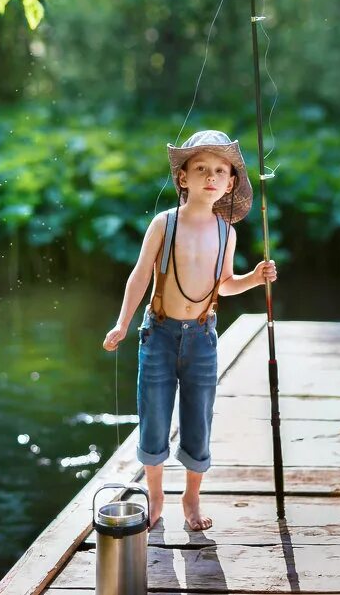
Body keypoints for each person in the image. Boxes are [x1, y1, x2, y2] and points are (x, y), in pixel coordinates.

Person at [102, 130, 277, 530]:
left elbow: (224, 284)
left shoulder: (226, 232)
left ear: (230, 182)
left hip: (202, 335)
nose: (210, 176)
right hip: (159, 333)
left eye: (220, 170)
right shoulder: (164, 223)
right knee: (154, 416)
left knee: (199, 417)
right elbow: (140, 275)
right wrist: (122, 323)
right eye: (201, 169)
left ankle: (192, 498)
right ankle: (157, 495)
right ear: (183, 178)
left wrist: (252, 277)